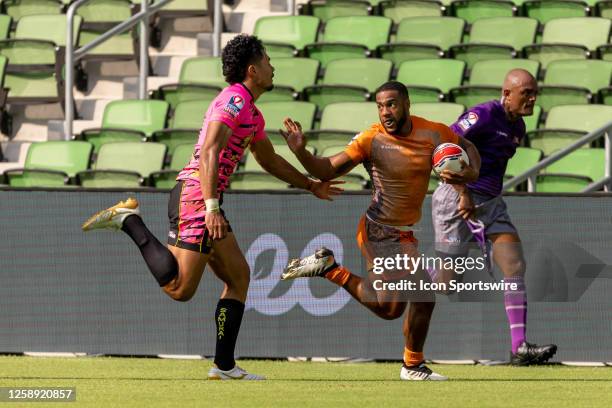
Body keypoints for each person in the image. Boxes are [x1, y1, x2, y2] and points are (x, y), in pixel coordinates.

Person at [81, 35, 342, 380]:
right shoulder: (233, 101)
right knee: (180, 289)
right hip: (196, 197)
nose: (272, 66)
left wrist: (311, 184)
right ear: (253, 69)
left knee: (239, 277)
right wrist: (211, 207)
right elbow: (209, 151)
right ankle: (130, 221)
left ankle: (223, 365)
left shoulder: (251, 111)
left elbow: (269, 160)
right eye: (267, 60)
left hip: (202, 198)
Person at [280, 81, 481, 381]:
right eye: (380, 105)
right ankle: (412, 366)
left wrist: (469, 174)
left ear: (407, 104)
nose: (385, 111)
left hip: (402, 232)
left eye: (392, 104)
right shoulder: (372, 139)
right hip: (379, 230)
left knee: (390, 308)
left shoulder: (433, 133)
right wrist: (301, 153)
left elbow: (469, 148)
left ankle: (329, 267)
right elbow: (326, 170)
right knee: (423, 296)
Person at [430, 69, 557, 365]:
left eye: (534, 92)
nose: (532, 98)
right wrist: (462, 190)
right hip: (456, 199)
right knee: (446, 283)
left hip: (491, 203)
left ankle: (519, 348)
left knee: (514, 264)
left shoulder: (519, 127)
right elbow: (444, 148)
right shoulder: (483, 115)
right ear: (507, 93)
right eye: (526, 92)